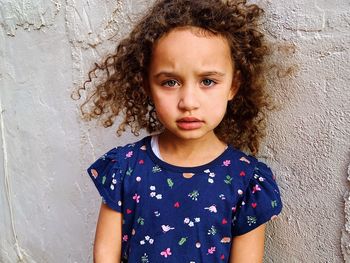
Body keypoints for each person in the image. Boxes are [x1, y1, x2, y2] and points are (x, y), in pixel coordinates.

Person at [77, 0, 283, 262]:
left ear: (233, 86)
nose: (188, 102)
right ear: (146, 86)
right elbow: (105, 255)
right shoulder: (124, 168)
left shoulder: (246, 181)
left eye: (207, 81)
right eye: (170, 82)